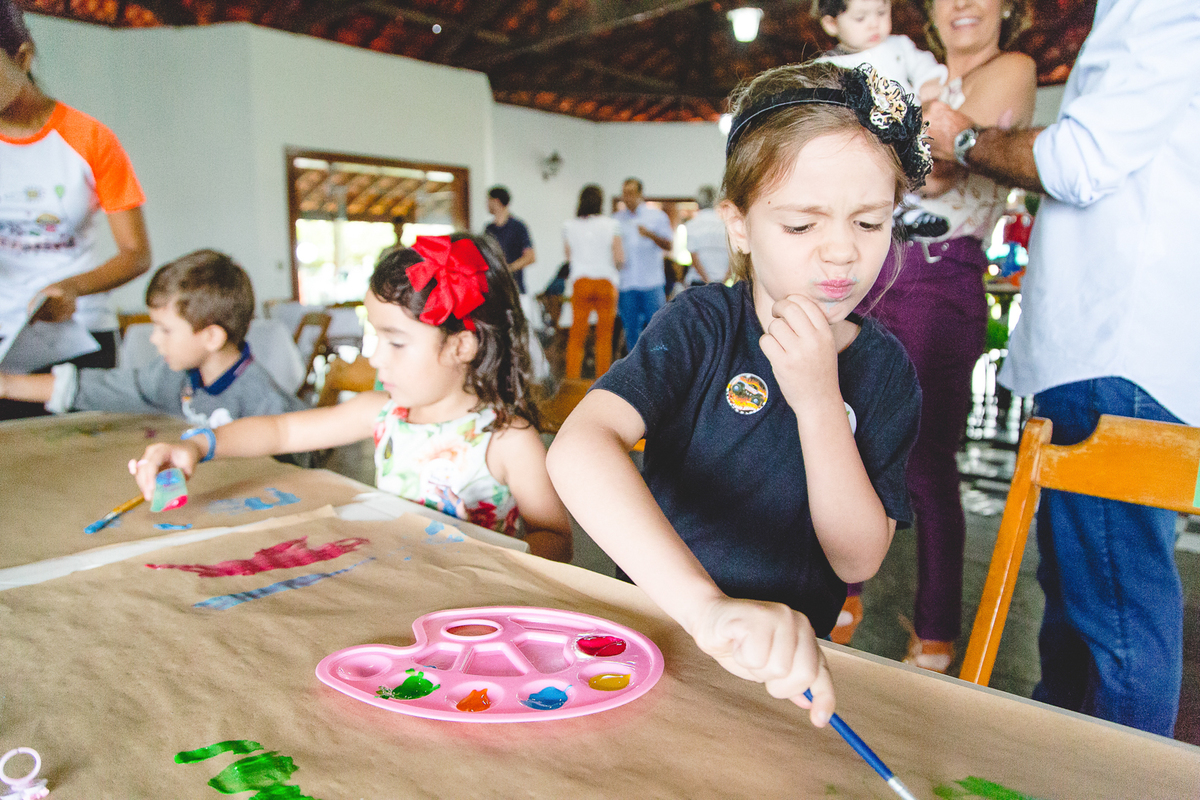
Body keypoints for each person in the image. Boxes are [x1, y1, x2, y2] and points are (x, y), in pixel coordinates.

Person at [547, 62, 926, 725]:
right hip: (652, 641)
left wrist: (816, 401)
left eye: (868, 223)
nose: (842, 253)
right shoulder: (700, 325)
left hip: (779, 673)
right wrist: (705, 610)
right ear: (741, 225)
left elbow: (858, 555)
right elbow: (577, 450)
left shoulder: (885, 370)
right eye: (803, 225)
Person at [923, 0, 1198, 737]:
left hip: (1116, 352)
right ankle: (1058, 761)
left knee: (1115, 607)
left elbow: (1079, 162)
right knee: (1079, 598)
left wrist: (966, 137)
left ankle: (1121, 779)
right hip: (1106, 349)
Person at [132, 235, 574, 563]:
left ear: (461, 346)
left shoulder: (506, 440)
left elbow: (555, 538)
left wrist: (484, 558)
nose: (374, 357)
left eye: (395, 342)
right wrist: (197, 445)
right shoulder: (383, 413)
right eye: (374, 336)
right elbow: (282, 429)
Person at [845, 0, 1035, 669]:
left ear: (1006, 7)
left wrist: (874, 142)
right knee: (845, 436)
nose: (961, 5)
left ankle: (935, 635)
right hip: (873, 266)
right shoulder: (911, 73)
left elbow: (944, 166)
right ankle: (840, 597)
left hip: (939, 269)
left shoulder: (1010, 67)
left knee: (924, 462)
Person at [0, 0, 152, 419]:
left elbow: (136, 253)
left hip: (81, 334)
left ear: (22, 57)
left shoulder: (91, 140)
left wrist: (73, 288)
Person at [0, 249, 302, 426]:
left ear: (211, 337)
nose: (154, 340)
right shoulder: (171, 376)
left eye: (166, 330)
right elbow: (100, 387)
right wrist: (9, 384)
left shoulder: (266, 402)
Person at [812, 0, 951, 240]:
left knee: (910, 173)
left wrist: (929, 83)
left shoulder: (900, 46)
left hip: (905, 130)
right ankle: (892, 216)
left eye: (881, 13)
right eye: (860, 18)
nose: (874, 23)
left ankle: (909, 214)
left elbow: (926, 68)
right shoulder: (827, 67)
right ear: (831, 23)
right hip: (863, 137)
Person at [562, 184, 624, 380]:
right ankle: (603, 382)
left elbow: (568, 256)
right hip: (605, 282)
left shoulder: (568, 226)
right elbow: (619, 258)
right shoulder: (611, 224)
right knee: (604, 337)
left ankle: (571, 380)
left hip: (581, 282)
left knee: (577, 336)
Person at [613, 178, 673, 349]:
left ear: (640, 195)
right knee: (631, 330)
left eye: (631, 193)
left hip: (651, 283)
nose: (627, 198)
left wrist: (650, 235)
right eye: (625, 194)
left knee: (657, 329)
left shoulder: (656, 216)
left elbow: (669, 244)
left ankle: (659, 368)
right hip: (627, 283)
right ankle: (636, 372)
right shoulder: (616, 219)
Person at [484, 186, 535, 294]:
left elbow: (530, 257)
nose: (486, 204)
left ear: (496, 201)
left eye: (488, 201)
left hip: (515, 289)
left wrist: (507, 269)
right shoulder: (489, 229)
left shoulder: (518, 227)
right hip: (494, 289)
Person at [683, 185, 730, 286]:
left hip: (699, 282)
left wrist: (708, 281)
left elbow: (694, 258)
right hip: (721, 281)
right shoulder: (726, 226)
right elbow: (734, 258)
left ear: (698, 202)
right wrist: (724, 281)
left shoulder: (692, 225)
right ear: (716, 202)